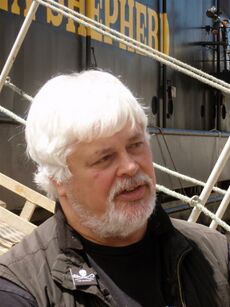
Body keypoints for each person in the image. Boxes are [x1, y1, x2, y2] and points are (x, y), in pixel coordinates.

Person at [0, 70, 229, 307]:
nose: (130, 166)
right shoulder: (19, 292)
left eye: (136, 145)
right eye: (104, 158)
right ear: (59, 179)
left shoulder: (217, 254)